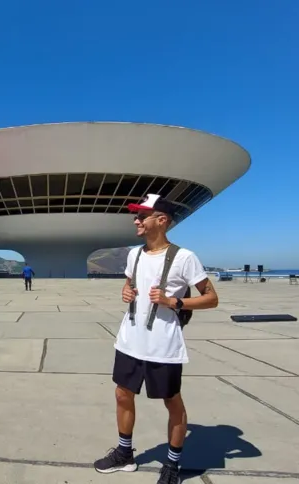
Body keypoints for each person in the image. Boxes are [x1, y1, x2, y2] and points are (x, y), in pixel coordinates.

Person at [93, 193, 219, 484]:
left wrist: (174, 302)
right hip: (130, 340)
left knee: (171, 401)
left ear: (161, 221)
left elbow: (211, 298)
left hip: (163, 345)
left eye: (142, 216)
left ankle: (172, 466)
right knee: (123, 394)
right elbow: (129, 284)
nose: (136, 220)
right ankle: (125, 454)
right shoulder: (133, 254)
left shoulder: (185, 258)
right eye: (136, 215)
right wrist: (125, 292)